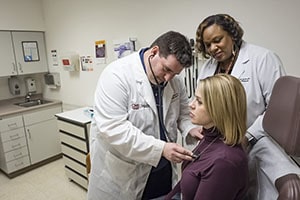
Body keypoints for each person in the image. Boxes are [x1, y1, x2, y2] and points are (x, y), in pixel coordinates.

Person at [195, 13, 300, 199]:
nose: (213, 48)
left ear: (232, 34)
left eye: (217, 40)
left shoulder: (263, 58)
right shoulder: (209, 67)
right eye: (207, 44)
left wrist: (247, 136)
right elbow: (203, 102)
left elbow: (276, 111)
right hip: (222, 144)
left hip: (258, 139)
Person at [87, 31, 202, 200]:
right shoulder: (116, 75)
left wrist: (190, 129)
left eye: (175, 74)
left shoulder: (174, 82)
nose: (168, 78)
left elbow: (183, 114)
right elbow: (114, 129)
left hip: (161, 170)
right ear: (154, 52)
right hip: (123, 171)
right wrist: (161, 148)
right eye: (166, 69)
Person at [166, 74, 249, 200]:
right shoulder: (209, 139)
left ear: (219, 109)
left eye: (199, 102)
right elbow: (180, 188)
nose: (191, 105)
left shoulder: (224, 163)